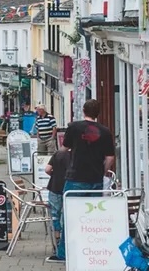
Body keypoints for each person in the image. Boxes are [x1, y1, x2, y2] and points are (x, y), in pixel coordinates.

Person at [53, 99, 116, 263]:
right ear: (98, 113)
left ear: (83, 110)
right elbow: (110, 157)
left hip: (76, 178)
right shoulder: (106, 131)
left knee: (70, 217)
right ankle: (90, 252)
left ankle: (64, 254)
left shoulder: (74, 127)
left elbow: (64, 149)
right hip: (95, 180)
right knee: (92, 217)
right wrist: (101, 171)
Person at [44, 146, 71, 263]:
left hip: (54, 187)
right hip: (69, 189)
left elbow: (47, 169)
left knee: (55, 214)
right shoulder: (76, 156)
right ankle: (64, 245)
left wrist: (55, 175)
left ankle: (57, 240)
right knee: (65, 216)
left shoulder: (58, 154)